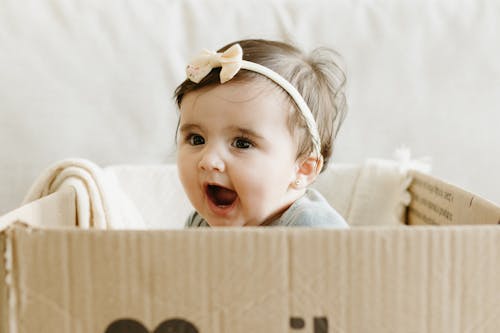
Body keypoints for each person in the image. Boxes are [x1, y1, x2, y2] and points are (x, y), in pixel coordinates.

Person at [174, 39, 348, 228]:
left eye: (242, 143)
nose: (208, 161)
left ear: (302, 168)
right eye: (196, 139)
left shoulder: (311, 227)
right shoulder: (199, 224)